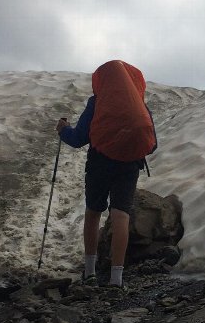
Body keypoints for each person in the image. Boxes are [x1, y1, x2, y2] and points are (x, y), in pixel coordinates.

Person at [56, 60, 156, 290]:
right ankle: (116, 280)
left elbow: (78, 138)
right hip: (130, 165)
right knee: (121, 215)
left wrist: (62, 130)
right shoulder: (140, 106)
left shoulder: (98, 101)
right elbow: (151, 144)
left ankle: (90, 273)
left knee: (93, 212)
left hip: (100, 162)